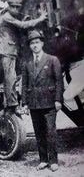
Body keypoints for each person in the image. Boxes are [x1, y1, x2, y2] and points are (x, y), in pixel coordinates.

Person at [0, 0, 48, 114]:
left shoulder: (9, 16)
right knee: (10, 78)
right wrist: (40, 19)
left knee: (12, 77)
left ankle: (12, 103)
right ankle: (12, 104)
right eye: (13, 6)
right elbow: (22, 25)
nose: (15, 9)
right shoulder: (6, 16)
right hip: (7, 50)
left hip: (11, 50)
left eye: (17, 7)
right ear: (8, 6)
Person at [22, 29, 63, 172]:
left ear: (42, 43)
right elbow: (24, 84)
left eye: (37, 42)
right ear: (29, 46)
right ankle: (43, 160)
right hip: (34, 103)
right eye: (32, 43)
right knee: (38, 133)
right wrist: (25, 103)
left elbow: (59, 81)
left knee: (50, 132)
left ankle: (53, 161)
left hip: (49, 102)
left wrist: (58, 100)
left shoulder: (52, 60)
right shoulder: (27, 63)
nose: (34, 45)